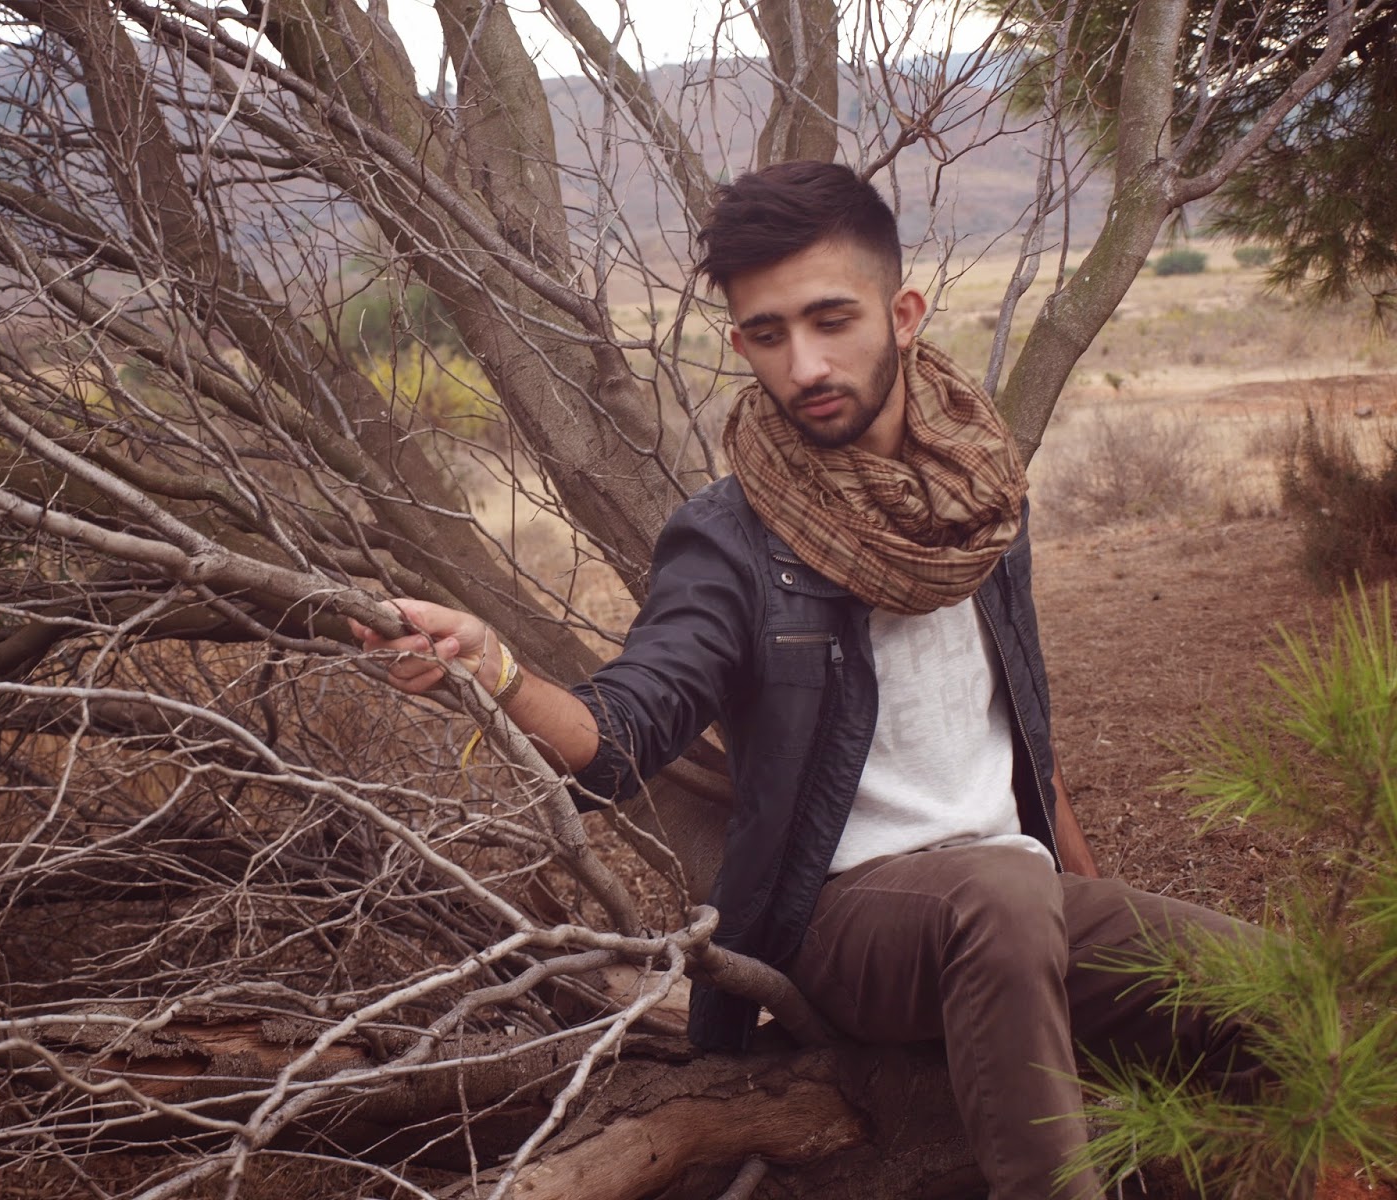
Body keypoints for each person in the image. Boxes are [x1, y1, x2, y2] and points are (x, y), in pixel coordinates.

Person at [351, 160, 1264, 1200]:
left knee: (1272, 990)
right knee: (1003, 899)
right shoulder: (729, 542)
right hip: (841, 920)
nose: (806, 363)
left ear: (903, 314)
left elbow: (1021, 735)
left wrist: (1089, 899)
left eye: (832, 320)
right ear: (741, 344)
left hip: (1012, 898)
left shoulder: (983, 499)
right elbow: (624, 730)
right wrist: (495, 668)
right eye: (769, 334)